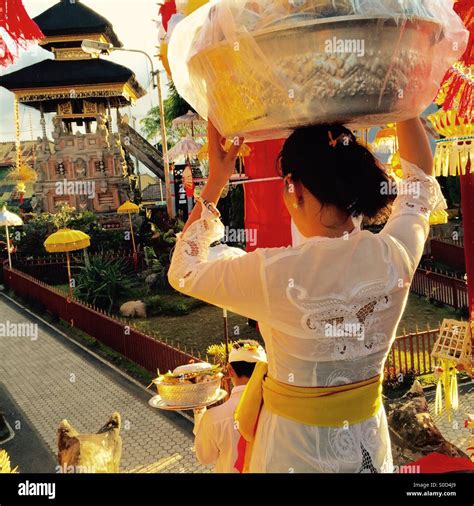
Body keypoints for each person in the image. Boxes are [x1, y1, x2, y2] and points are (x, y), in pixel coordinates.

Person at [168, 118, 446, 473]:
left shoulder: (274, 273)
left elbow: (184, 271)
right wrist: (404, 105)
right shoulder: (394, 254)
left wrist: (216, 181)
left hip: (292, 450)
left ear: (292, 189)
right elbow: (419, 188)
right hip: (368, 444)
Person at [193, 340, 267, 473]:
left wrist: (199, 410)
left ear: (230, 370)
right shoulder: (276, 409)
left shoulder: (213, 417)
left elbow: (204, 457)